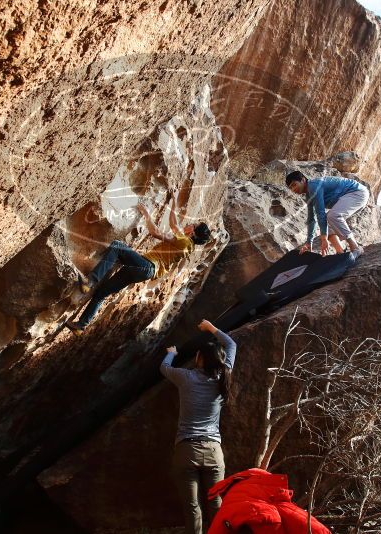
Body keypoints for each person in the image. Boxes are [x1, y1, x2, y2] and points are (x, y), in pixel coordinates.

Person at [67, 194, 211, 333]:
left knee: (117, 246)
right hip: (144, 272)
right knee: (101, 293)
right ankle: (81, 325)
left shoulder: (184, 241)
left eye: (192, 224)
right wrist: (172, 201)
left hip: (146, 265)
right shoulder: (187, 246)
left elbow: (156, 231)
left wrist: (147, 214)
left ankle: (90, 281)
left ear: (193, 232)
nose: (189, 224)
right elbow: (174, 225)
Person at [161, 319, 236, 534]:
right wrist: (212, 328)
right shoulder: (224, 376)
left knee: (192, 507)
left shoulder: (187, 377)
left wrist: (172, 353)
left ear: (199, 358)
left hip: (186, 451)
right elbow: (231, 345)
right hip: (213, 451)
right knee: (217, 504)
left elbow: (164, 368)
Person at [285, 171, 369, 257]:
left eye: (294, 185)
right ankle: (340, 252)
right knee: (327, 223)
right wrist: (308, 242)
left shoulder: (314, 186)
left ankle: (355, 247)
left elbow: (320, 212)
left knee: (332, 216)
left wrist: (324, 238)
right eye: (290, 188)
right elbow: (311, 219)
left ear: (303, 180)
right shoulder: (309, 195)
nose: (293, 189)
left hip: (357, 193)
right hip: (351, 197)